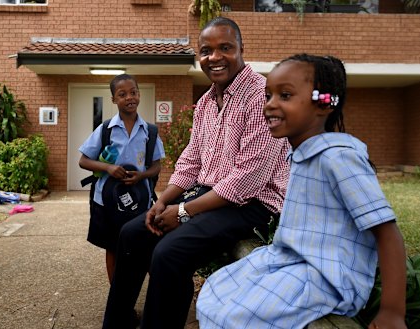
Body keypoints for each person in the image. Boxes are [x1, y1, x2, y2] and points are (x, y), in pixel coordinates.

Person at [102, 17, 290, 329]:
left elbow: (249, 178)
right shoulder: (205, 101)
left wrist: (185, 211)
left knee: (168, 253)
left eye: (225, 48)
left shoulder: (261, 96)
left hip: (252, 204)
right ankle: (117, 322)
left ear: (242, 49)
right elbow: (191, 159)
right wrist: (163, 202)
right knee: (132, 234)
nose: (214, 57)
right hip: (208, 194)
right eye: (206, 50)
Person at [196, 54, 407, 329]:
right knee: (216, 290)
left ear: (323, 103)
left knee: (232, 316)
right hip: (290, 260)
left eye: (285, 95)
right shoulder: (299, 155)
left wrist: (392, 310)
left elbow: (386, 231)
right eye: (268, 95)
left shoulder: (337, 158)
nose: (270, 105)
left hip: (327, 277)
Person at [79, 74, 165, 283]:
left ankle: (135, 292)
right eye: (122, 94)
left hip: (139, 201)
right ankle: (117, 299)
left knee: (140, 246)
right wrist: (108, 168)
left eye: (133, 92)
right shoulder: (105, 129)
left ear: (139, 94)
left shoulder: (149, 132)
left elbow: (156, 166)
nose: (129, 98)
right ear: (113, 99)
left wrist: (141, 175)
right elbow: (83, 160)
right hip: (107, 201)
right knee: (113, 247)